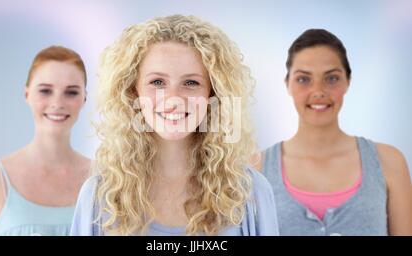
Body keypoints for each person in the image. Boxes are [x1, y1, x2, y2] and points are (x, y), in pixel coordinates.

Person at [70, 15, 279, 236]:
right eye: (157, 82)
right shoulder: (99, 196)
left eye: (191, 83)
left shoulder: (250, 192)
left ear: (213, 94)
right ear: (133, 92)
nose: (173, 99)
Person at [254, 29, 412, 235]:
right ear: (288, 84)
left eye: (331, 78)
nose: (318, 91)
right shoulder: (256, 169)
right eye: (304, 79)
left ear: (348, 81)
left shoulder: (389, 162)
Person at [0, 46, 91, 235]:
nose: (57, 103)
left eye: (71, 92)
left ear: (84, 98)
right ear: (27, 94)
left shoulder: (106, 178)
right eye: (45, 91)